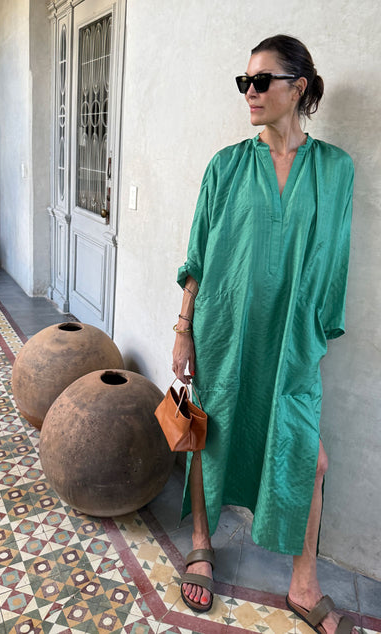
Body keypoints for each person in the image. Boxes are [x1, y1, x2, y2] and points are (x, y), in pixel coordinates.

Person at [172, 34, 356, 634]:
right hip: (223, 329)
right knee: (209, 433)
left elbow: (334, 258)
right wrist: (183, 329)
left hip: (290, 341)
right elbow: (198, 254)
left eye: (261, 81)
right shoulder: (226, 166)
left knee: (312, 458)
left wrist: (313, 334)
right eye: (243, 82)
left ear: (297, 88)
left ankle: (303, 583)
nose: (249, 92)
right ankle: (201, 543)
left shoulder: (334, 170)